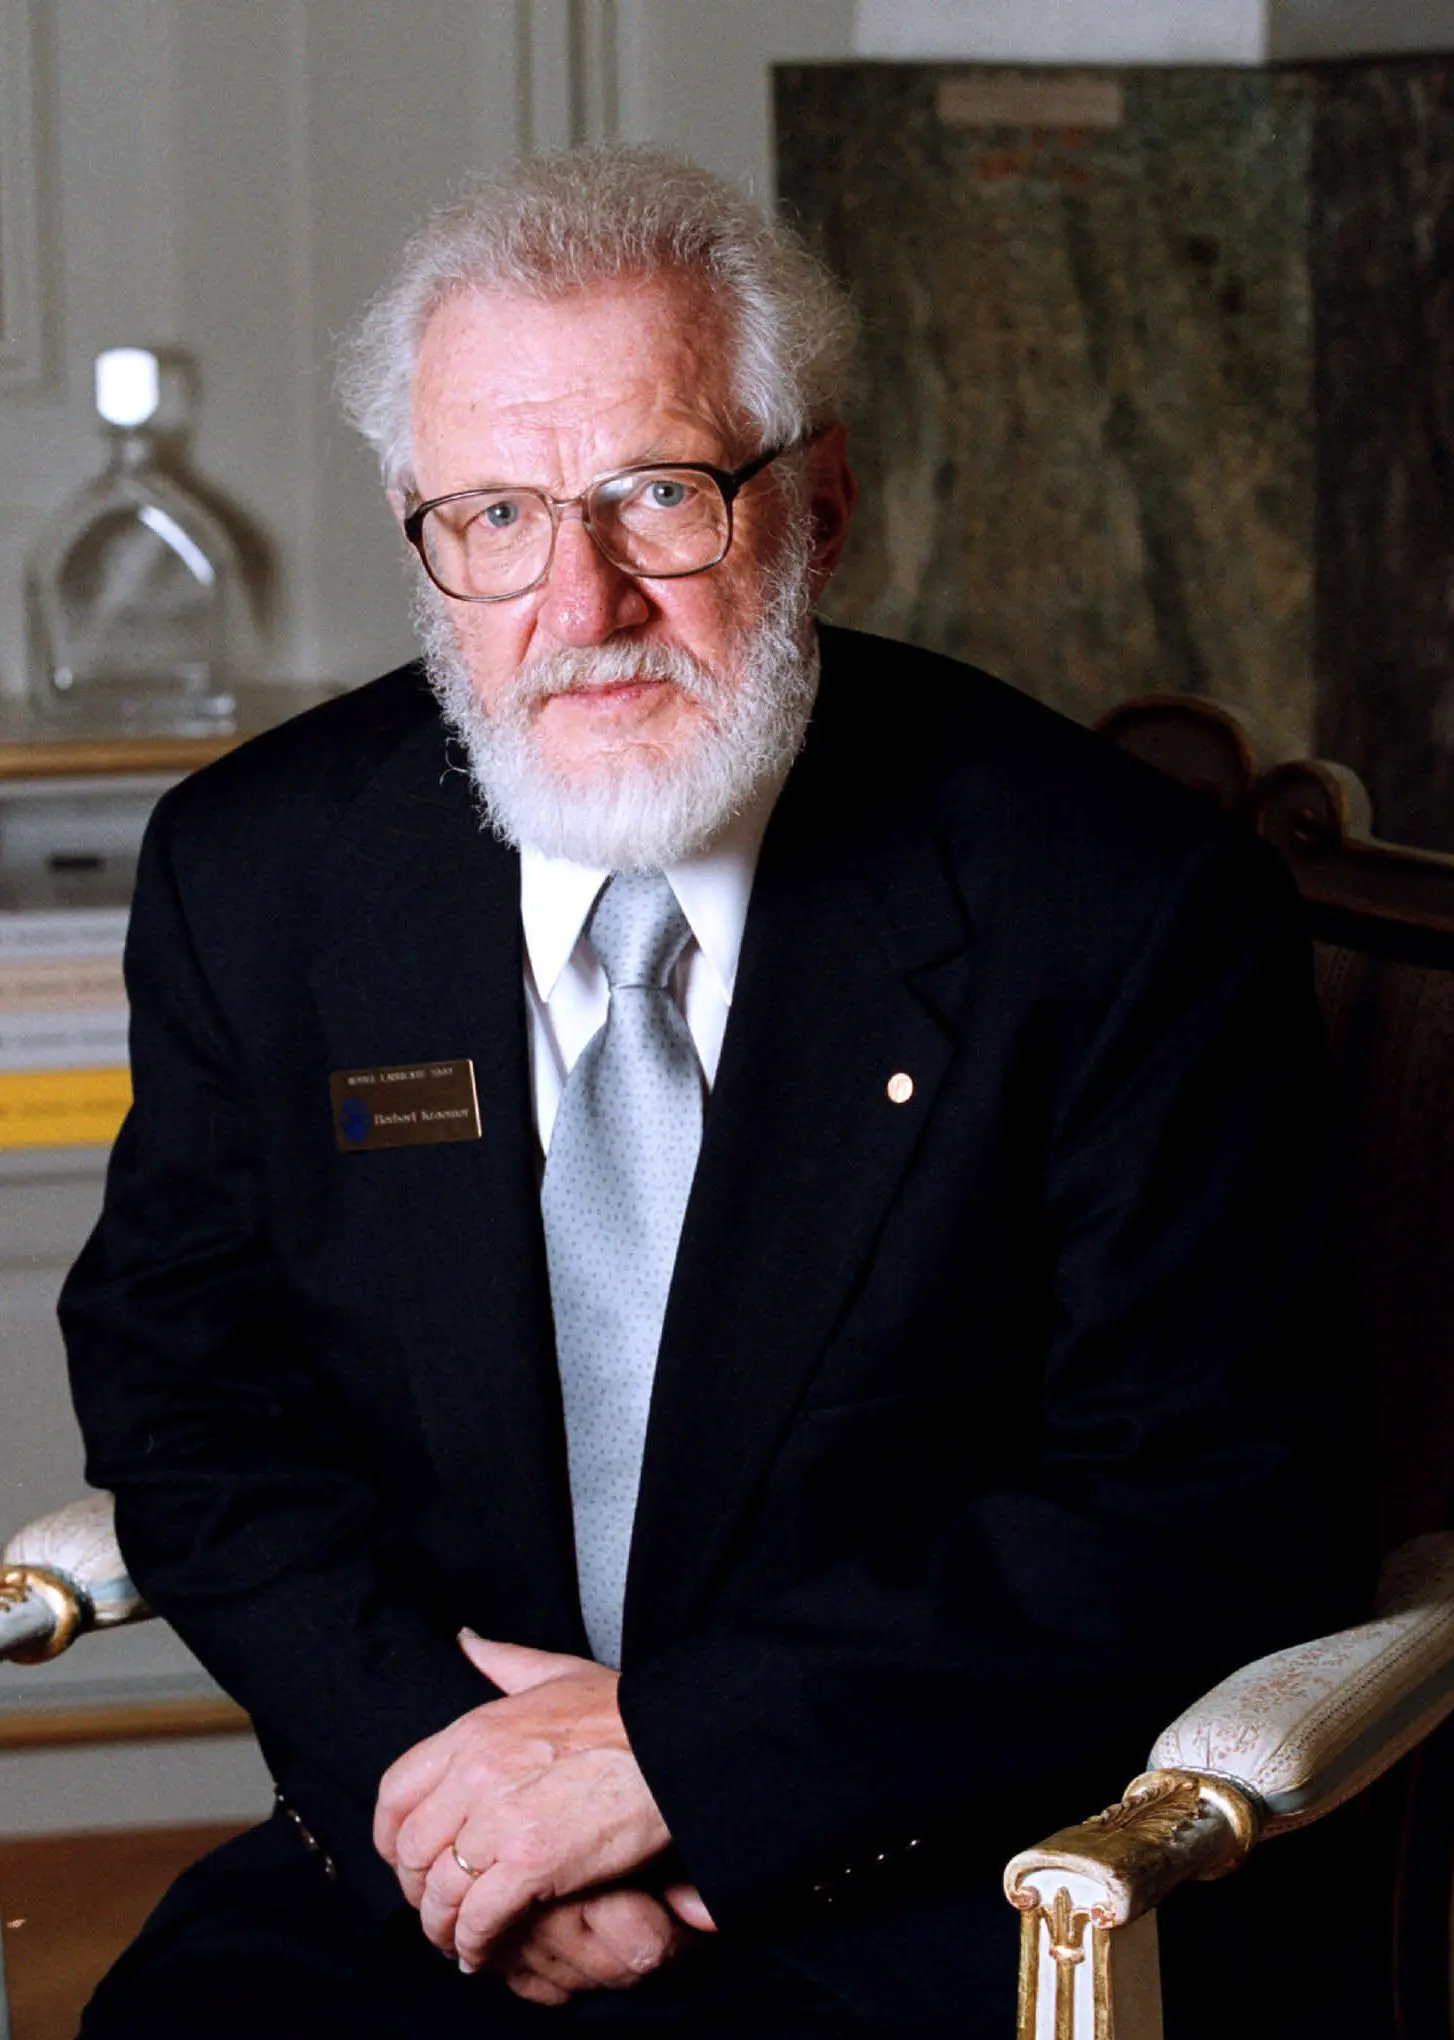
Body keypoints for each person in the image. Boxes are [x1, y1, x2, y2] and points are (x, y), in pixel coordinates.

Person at [61, 146, 1363, 2040]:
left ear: (817, 503)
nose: (576, 599)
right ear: (418, 533)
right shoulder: (261, 875)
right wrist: (428, 1771)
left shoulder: (1109, 901)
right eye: (493, 514)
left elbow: (1219, 1501)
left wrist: (679, 1761)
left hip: (931, 1879)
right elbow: (190, 1397)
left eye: (656, 497)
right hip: (416, 1848)